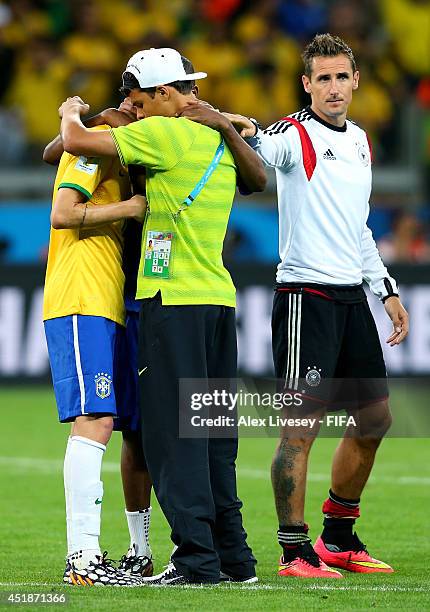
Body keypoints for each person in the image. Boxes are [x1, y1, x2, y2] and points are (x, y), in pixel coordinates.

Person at [58, 47, 266, 585]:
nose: (137, 109)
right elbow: (258, 179)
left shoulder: (165, 135)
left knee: (174, 441)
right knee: (217, 438)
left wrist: (68, 111)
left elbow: (76, 142)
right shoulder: (219, 139)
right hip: (219, 301)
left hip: (170, 305)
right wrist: (226, 120)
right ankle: (234, 558)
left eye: (142, 99)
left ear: (165, 96)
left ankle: (196, 559)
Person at [216, 33, 409, 578]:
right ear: (306, 84)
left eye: (341, 76)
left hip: (352, 297)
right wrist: (240, 127)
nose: (333, 87)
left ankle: (338, 538)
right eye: (322, 78)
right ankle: (293, 551)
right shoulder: (293, 133)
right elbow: (259, 144)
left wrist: (386, 289)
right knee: (300, 427)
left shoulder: (361, 142)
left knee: (375, 418)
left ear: (356, 80)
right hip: (306, 296)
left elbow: (359, 229)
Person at [43, 102, 152, 587]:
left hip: (108, 302)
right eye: (132, 106)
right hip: (80, 296)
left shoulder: (120, 156)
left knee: (122, 422)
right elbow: (63, 213)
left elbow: (55, 148)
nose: (139, 114)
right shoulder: (95, 150)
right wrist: (128, 209)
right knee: (95, 419)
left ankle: (121, 555)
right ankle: (82, 558)